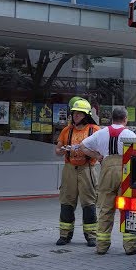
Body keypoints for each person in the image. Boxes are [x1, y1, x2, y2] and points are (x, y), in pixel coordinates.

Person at [78, 106, 136, 255]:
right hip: (125, 172)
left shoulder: (101, 133)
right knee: (128, 208)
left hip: (107, 171)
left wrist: (98, 156)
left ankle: (101, 246)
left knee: (106, 209)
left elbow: (82, 146)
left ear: (112, 118)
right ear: (125, 119)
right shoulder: (129, 133)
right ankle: (131, 246)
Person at [54, 99, 100, 246]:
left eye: (79, 114)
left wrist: (84, 150)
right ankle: (64, 235)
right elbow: (57, 151)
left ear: (86, 115)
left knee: (89, 203)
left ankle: (91, 236)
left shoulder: (94, 130)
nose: (76, 117)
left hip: (87, 169)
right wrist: (62, 150)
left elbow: (100, 153)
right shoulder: (66, 130)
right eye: (74, 114)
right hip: (69, 169)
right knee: (67, 202)